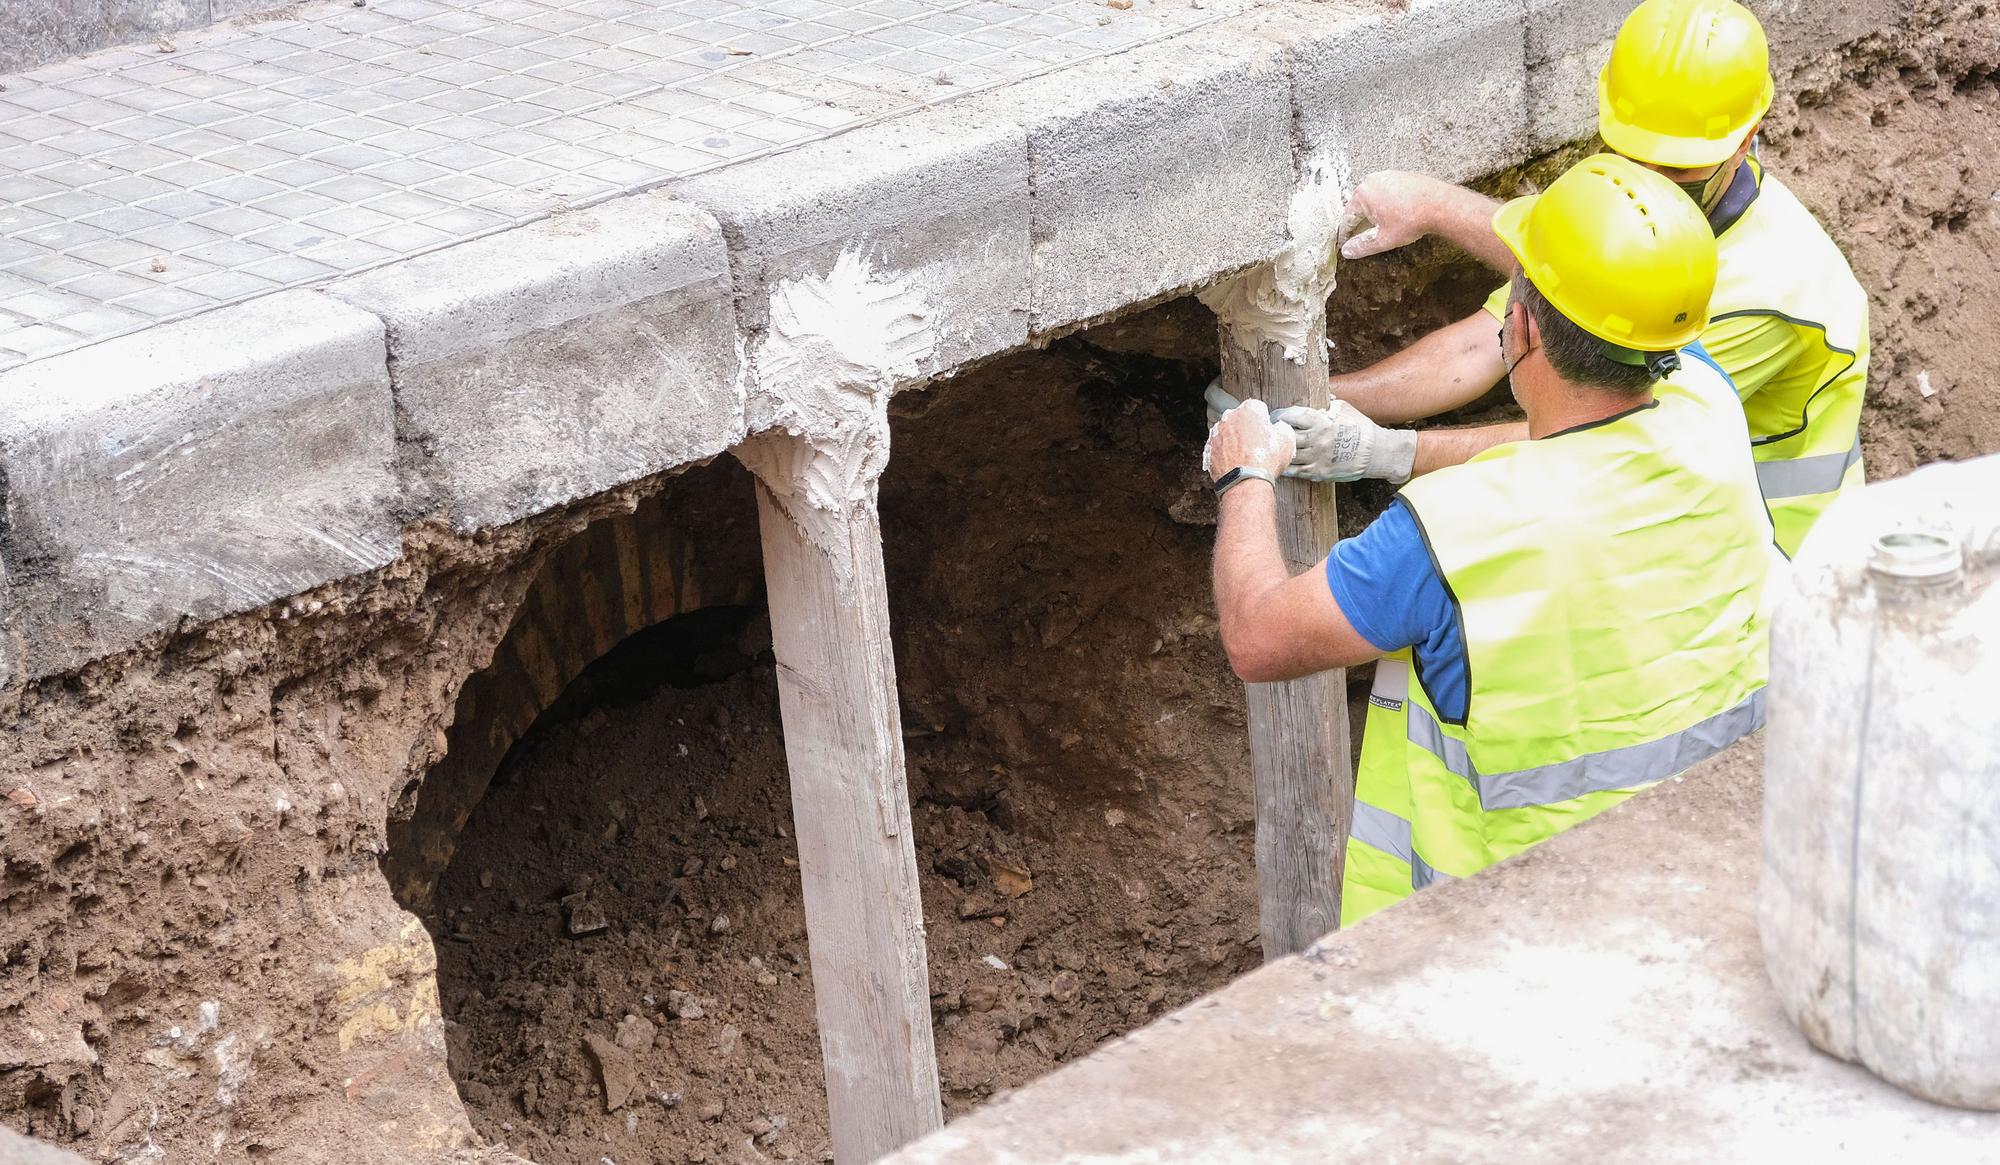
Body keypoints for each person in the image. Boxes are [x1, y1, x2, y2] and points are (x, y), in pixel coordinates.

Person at [1206, 156, 1778, 925]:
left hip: (1509, 941)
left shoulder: (1448, 536)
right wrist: (1391, 450)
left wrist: (1243, 478)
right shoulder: (1709, 405)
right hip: (1702, 876)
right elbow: (1604, 321)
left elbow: (1258, 636)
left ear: (1523, 325)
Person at [1280, 0, 1868, 556]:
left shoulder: (1766, 292)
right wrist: (1313, 403)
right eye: (1635, 153)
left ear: (1745, 138)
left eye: (1678, 164)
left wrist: (1388, 451)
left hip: (1773, 567)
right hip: (1667, 525)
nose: (1651, 181)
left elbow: (1596, 443)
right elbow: (1482, 343)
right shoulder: (1617, 201)